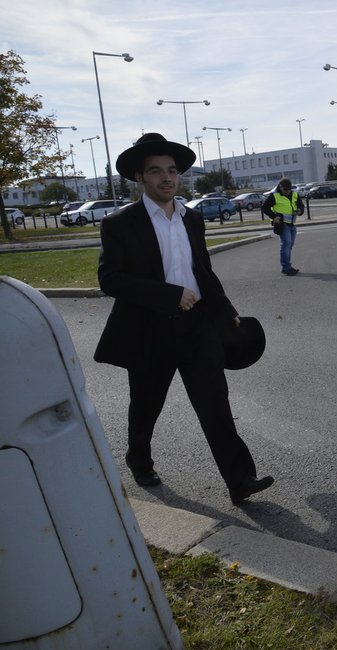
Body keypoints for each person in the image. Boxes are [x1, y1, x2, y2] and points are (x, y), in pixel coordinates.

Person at [94, 132, 274, 506]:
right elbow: (110, 279)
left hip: (197, 328)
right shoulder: (119, 224)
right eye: (156, 171)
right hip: (149, 331)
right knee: (146, 405)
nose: (166, 178)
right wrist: (169, 294)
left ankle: (240, 480)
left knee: (215, 405)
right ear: (140, 177)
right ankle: (138, 460)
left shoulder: (192, 219)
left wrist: (227, 313)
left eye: (172, 170)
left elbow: (203, 273)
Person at [261, 178, 305, 276]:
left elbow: (301, 206)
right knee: (286, 244)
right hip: (282, 223)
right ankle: (286, 267)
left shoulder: (294, 194)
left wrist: (299, 211)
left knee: (290, 245)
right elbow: (264, 207)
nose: (288, 191)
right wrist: (273, 217)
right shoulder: (274, 196)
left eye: (289, 189)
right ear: (280, 187)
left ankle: (287, 265)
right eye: (285, 189)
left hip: (292, 223)